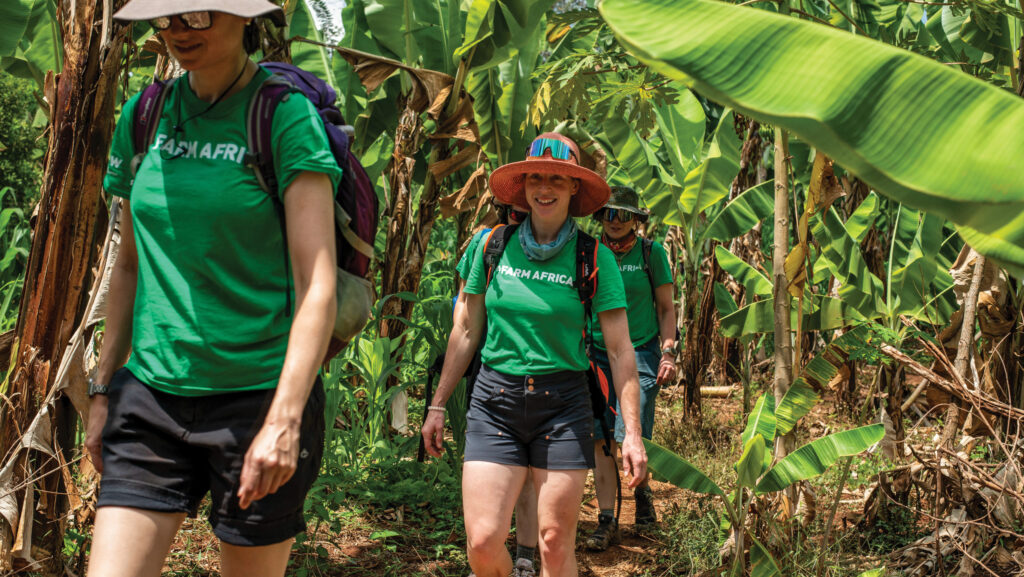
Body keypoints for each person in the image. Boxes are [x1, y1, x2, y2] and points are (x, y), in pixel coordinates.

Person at [85, 3, 341, 576]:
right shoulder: (145, 114)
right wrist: (103, 389)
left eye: (197, 16)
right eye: (167, 17)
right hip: (149, 396)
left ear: (242, 17)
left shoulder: (282, 116)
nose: (179, 31)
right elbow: (126, 267)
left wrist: (285, 419)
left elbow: (317, 282)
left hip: (257, 400)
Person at [422, 133, 648, 577]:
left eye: (558, 180)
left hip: (562, 407)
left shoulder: (593, 258)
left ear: (574, 190)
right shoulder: (492, 247)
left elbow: (621, 352)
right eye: (537, 177)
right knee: (484, 543)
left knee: (553, 543)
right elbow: (466, 329)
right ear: (524, 186)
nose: (545, 187)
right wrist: (436, 404)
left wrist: (633, 433)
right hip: (494, 402)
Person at [584, 186, 677, 551]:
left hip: (640, 352)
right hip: (595, 352)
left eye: (624, 214)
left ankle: (642, 492)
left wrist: (668, 353)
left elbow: (666, 308)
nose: (616, 221)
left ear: (636, 219)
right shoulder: (588, 252)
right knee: (600, 436)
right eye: (609, 213)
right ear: (600, 218)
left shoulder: (652, 253)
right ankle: (608, 520)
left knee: (629, 430)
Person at [453, 202, 539, 577]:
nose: (518, 217)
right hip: (484, 366)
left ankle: (525, 554)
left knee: (528, 472)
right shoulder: (484, 243)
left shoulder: (544, 246)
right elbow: (463, 306)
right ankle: (487, 555)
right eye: (512, 210)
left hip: (528, 371)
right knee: (486, 465)